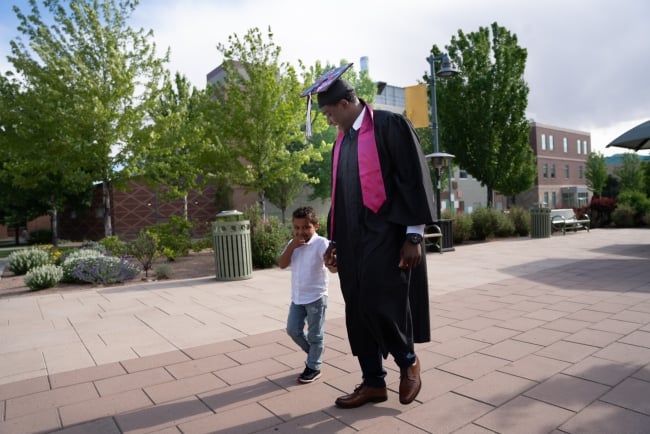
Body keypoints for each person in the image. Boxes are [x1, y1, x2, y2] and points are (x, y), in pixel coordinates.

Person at [301, 64, 435, 408]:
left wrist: (414, 235)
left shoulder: (390, 126)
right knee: (357, 309)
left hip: (387, 234)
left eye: (330, 113)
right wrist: (333, 242)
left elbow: (413, 178)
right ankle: (373, 382)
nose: (329, 121)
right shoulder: (342, 143)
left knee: (380, 301)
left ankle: (408, 362)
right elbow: (341, 194)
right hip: (352, 238)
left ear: (346, 104)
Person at [278, 206, 334, 383]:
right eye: (296, 228)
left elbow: (332, 268)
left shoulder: (321, 244)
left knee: (315, 335)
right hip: (297, 298)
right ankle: (315, 353)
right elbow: (282, 264)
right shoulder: (292, 243)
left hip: (316, 298)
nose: (300, 232)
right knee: (293, 330)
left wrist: (334, 262)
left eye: (305, 227)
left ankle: (314, 367)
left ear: (315, 226)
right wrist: (292, 247)